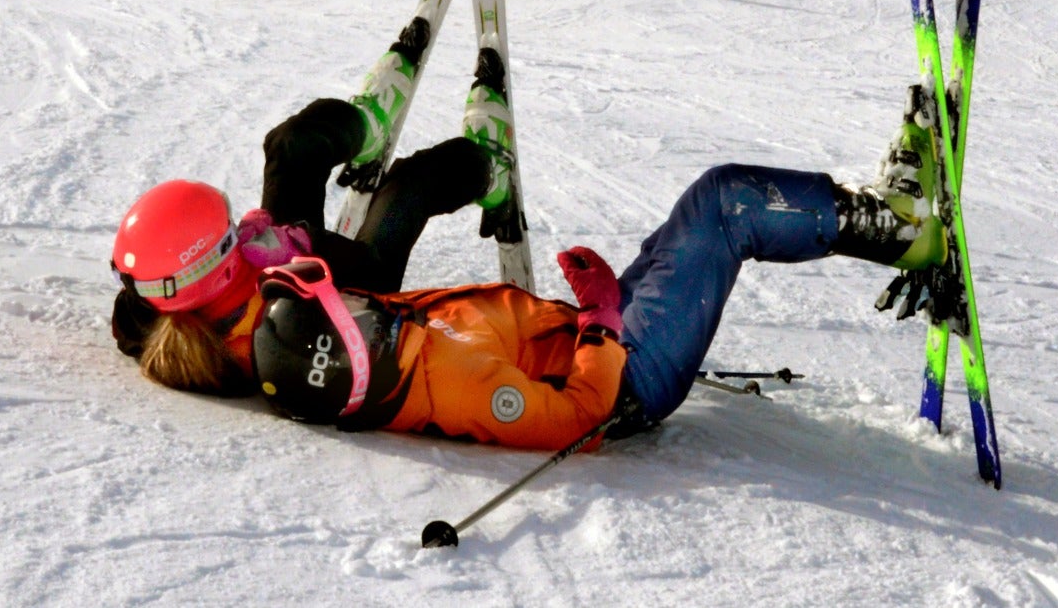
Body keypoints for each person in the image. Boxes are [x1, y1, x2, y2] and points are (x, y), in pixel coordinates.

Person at [112, 93, 952, 450]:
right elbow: (565, 421)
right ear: (217, 271)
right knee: (726, 202)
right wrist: (597, 324)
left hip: (571, 332)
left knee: (698, 215)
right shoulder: (372, 346)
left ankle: (880, 218)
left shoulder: (243, 325)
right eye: (236, 238)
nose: (258, 234)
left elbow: (143, 308)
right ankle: (905, 229)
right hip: (622, 378)